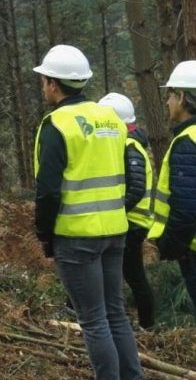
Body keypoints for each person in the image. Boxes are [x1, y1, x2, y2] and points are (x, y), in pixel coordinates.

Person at [33, 44, 141, 379]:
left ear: (54, 84)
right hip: (115, 229)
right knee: (115, 314)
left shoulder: (57, 124)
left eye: (45, 80)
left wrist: (45, 234)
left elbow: (48, 191)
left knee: (93, 320)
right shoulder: (110, 118)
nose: (43, 86)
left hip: (76, 235)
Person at [98, 92, 156, 329]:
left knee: (133, 275)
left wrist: (115, 211)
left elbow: (136, 187)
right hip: (130, 221)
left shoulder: (130, 146)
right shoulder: (130, 143)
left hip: (131, 223)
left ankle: (147, 325)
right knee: (129, 274)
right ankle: (144, 324)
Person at [149, 60, 196, 309]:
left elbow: (187, 207)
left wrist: (170, 245)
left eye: (169, 95)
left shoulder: (188, 142)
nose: (167, 102)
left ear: (181, 97)